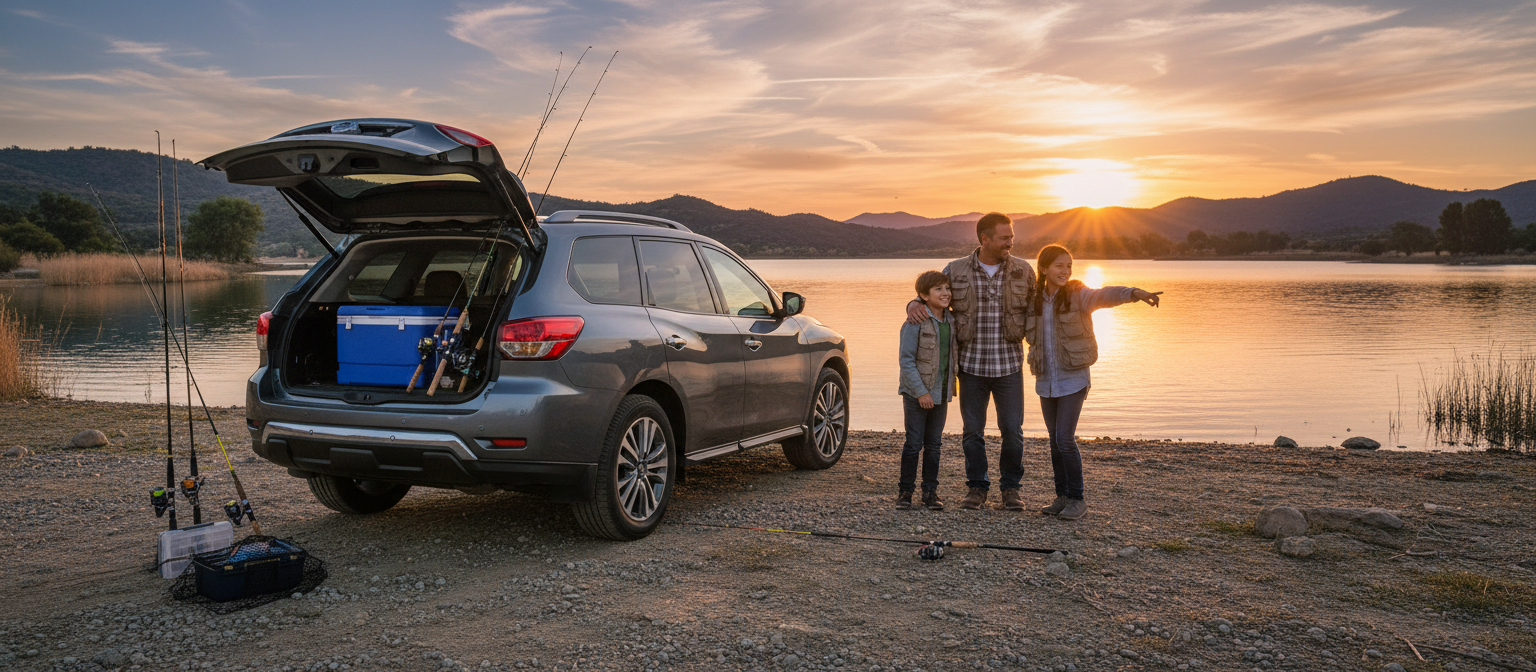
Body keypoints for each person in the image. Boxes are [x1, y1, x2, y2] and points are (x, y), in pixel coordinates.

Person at [906, 212, 1034, 511]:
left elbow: (1042, 305)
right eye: (1004, 238)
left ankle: (1011, 489)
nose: (1010, 243)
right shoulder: (955, 269)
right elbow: (933, 295)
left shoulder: (1024, 271)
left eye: (1011, 237)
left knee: (1013, 431)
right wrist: (913, 302)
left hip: (1009, 367)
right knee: (972, 432)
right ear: (984, 238)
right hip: (971, 368)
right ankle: (977, 488)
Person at [1026, 244, 1161, 521]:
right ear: (1044, 269)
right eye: (1059, 266)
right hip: (1046, 379)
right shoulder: (1035, 299)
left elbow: (1105, 294)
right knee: (1054, 441)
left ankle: (1077, 499)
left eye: (1069, 265)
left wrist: (1135, 293)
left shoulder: (1078, 295)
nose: (1065, 271)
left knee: (1064, 438)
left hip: (1073, 378)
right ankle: (1062, 496)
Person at [896, 270, 957, 510]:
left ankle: (930, 492)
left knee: (934, 444)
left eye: (947, 288)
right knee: (913, 443)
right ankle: (905, 492)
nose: (945, 293)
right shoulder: (915, 321)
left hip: (941, 392)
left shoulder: (951, 321)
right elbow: (906, 360)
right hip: (916, 393)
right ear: (923, 295)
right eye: (938, 289)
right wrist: (921, 392)